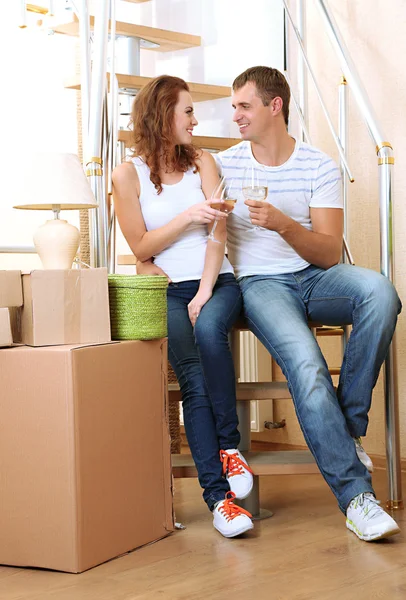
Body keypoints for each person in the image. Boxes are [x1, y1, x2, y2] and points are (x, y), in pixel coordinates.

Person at [214, 65, 401, 542]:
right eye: (234, 105)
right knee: (308, 366)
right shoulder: (226, 165)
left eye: (244, 105)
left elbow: (328, 250)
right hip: (261, 284)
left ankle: (348, 425)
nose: (234, 114)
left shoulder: (318, 165)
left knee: (380, 292)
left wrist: (281, 223)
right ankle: (356, 497)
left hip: (315, 278)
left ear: (274, 106)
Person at [112, 75, 254, 538]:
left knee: (210, 333)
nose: (196, 119)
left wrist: (205, 290)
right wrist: (187, 216)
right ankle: (220, 501)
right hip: (168, 289)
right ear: (162, 116)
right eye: (188, 112)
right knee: (193, 380)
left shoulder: (204, 163)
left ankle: (229, 447)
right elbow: (140, 246)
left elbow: (220, 234)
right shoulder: (126, 174)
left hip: (217, 281)